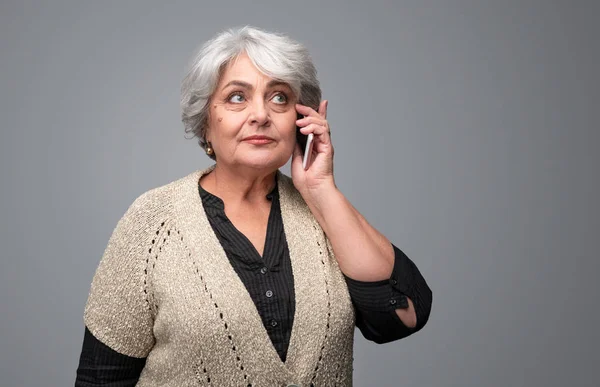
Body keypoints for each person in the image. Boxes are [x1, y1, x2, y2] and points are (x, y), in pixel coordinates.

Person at [75, 26, 432, 386]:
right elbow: (100, 379)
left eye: (279, 98)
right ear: (205, 121)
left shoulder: (324, 213)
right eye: (236, 97)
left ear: (301, 119)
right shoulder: (153, 222)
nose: (261, 114)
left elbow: (404, 317)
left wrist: (322, 191)